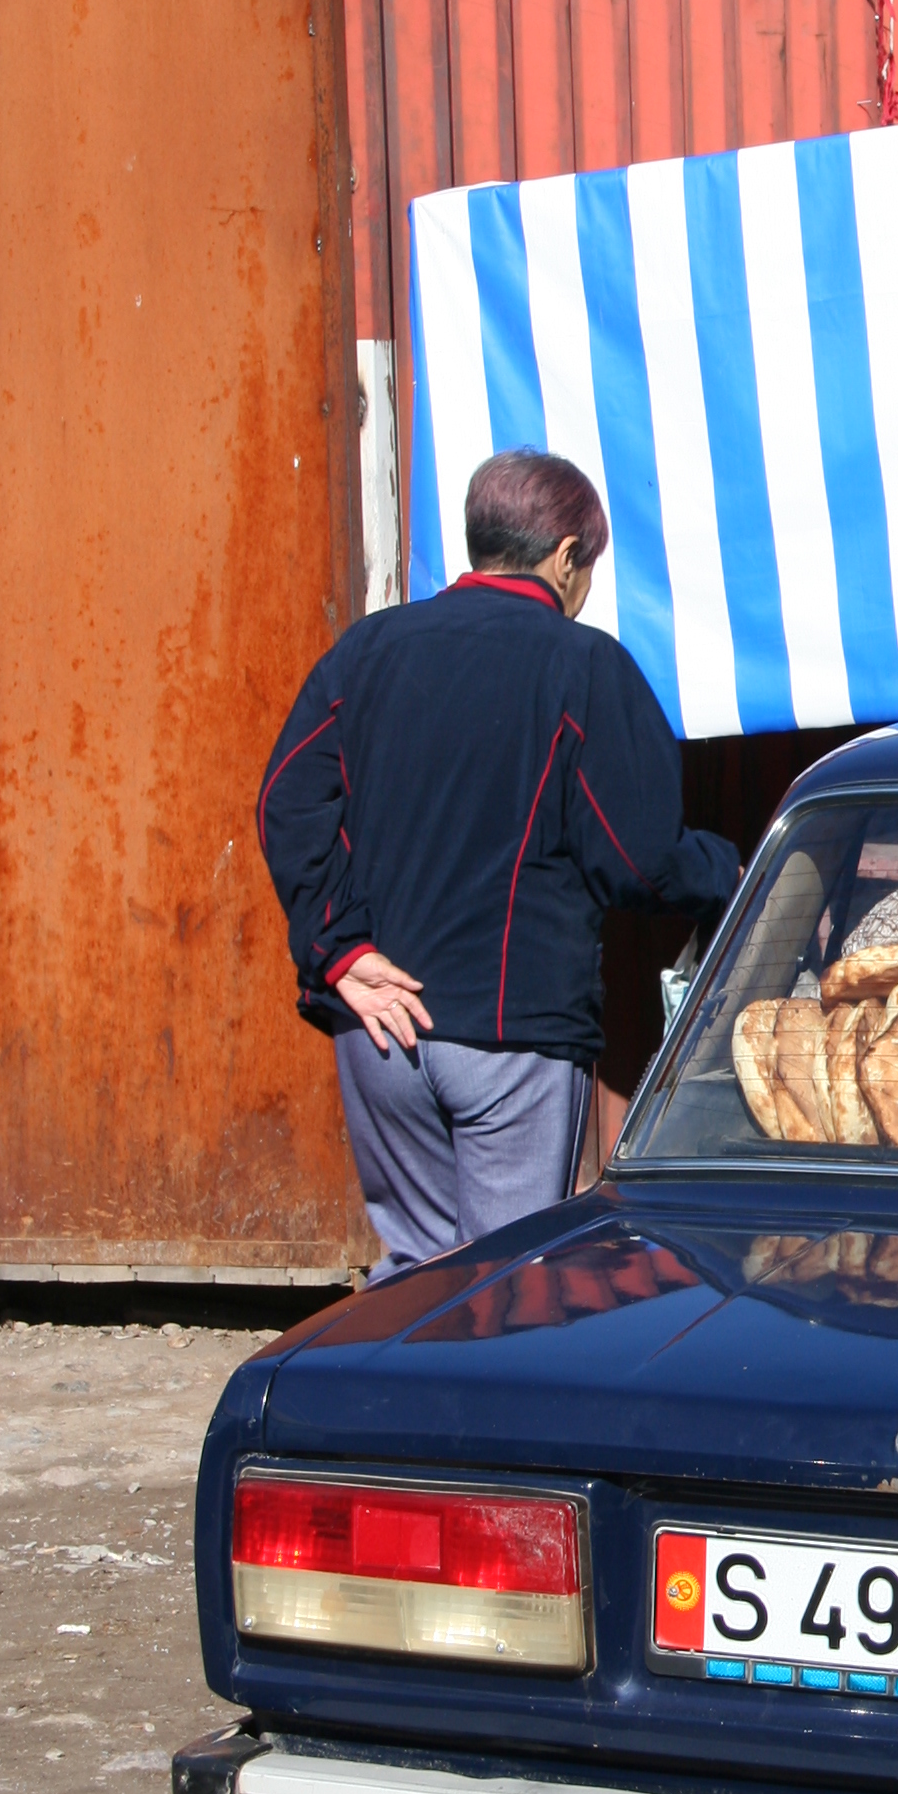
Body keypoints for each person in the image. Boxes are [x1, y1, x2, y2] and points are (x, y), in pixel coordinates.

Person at [258, 448, 741, 1272]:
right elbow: (638, 857)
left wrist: (341, 950)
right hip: (513, 1036)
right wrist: (730, 872)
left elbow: (285, 803)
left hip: (378, 1025)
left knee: (411, 1276)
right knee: (508, 1287)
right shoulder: (584, 664)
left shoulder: (366, 651)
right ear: (565, 558)